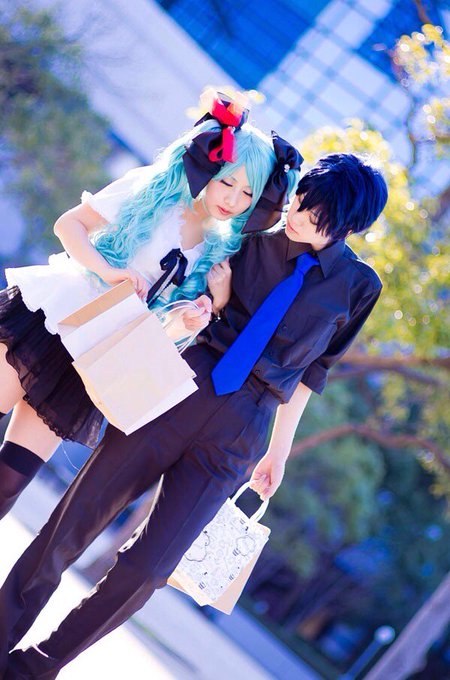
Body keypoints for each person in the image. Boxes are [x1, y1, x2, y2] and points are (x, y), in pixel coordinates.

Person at [0, 152, 388, 678]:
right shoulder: (249, 240)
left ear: (348, 227)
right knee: (72, 524)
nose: (297, 216)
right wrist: (215, 305)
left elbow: (310, 375)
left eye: (315, 216)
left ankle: (35, 668)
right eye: (300, 201)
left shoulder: (359, 287)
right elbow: (188, 302)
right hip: (181, 387)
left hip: (244, 427)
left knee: (149, 569)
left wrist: (278, 453)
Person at [0, 92, 293, 519]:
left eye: (247, 192)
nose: (233, 199)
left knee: (10, 480)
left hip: (97, 354)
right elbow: (69, 225)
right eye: (228, 182)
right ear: (210, 167)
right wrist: (109, 271)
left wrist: (193, 318)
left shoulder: (217, 250)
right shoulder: (154, 189)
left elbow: (161, 329)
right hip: (53, 318)